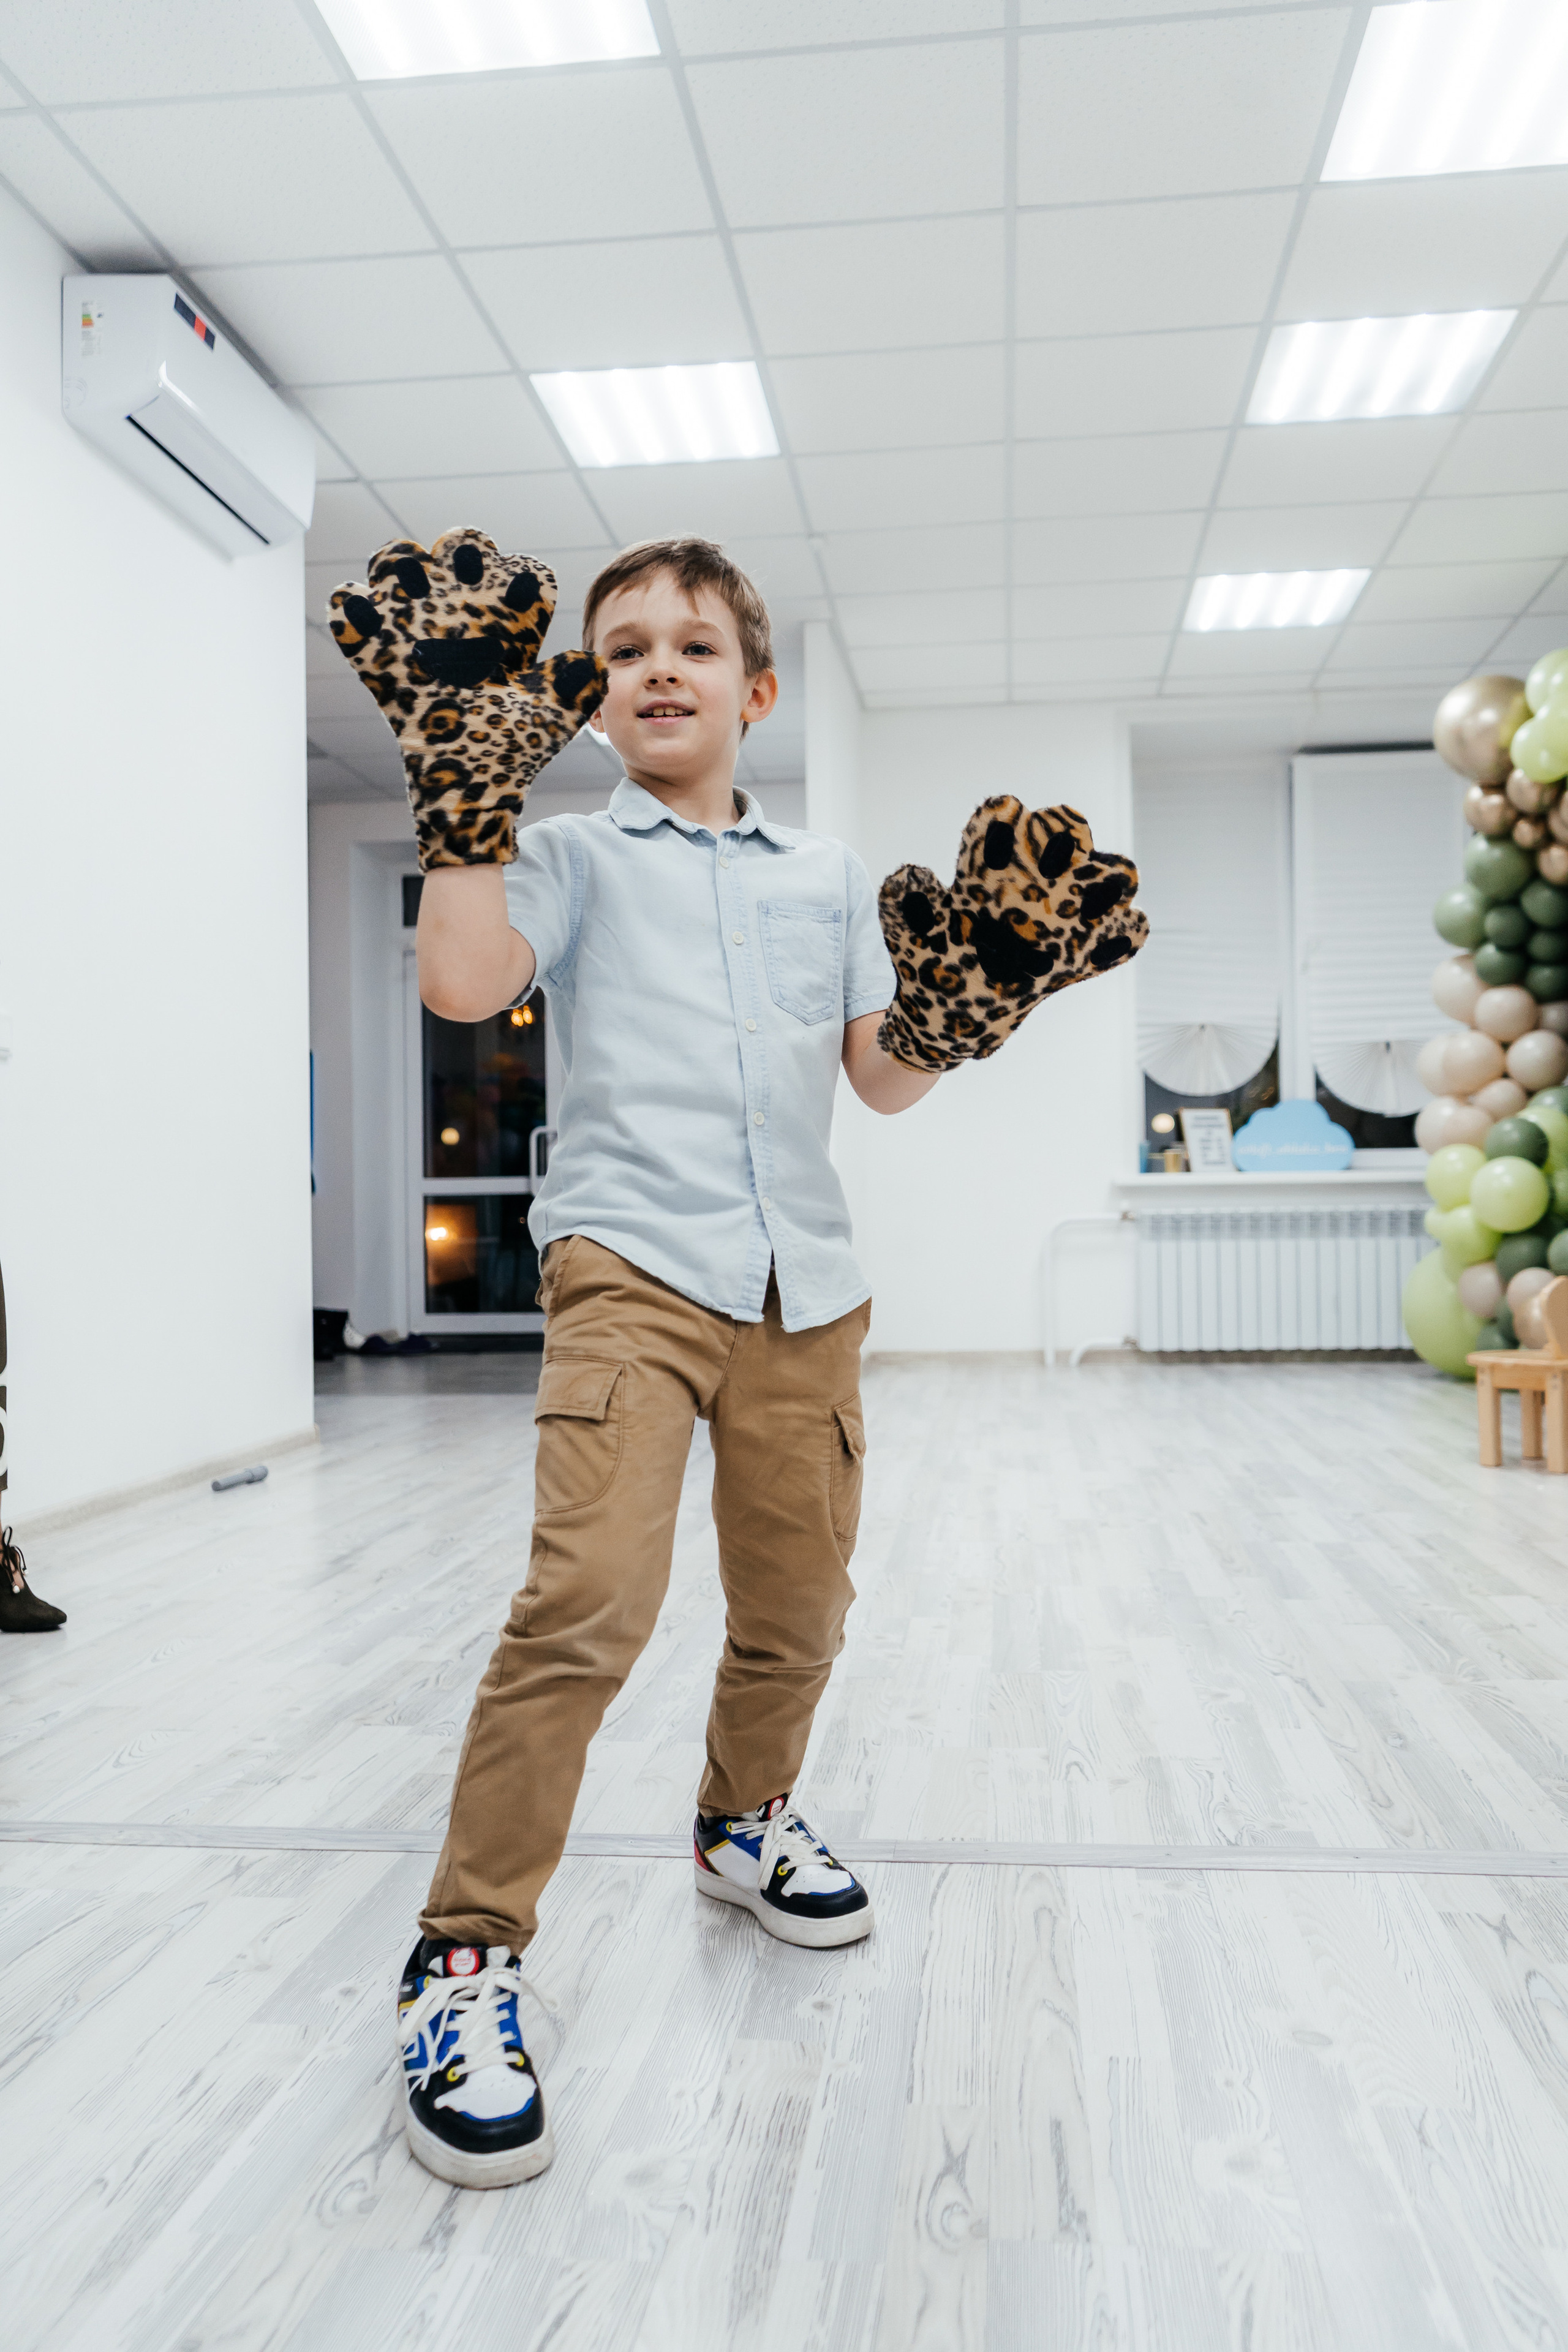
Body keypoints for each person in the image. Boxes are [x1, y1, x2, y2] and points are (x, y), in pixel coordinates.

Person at [328, 528, 1144, 2189]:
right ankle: (463, 1959)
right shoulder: (566, 853)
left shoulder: (826, 875)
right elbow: (466, 980)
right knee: (587, 1607)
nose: (656, 668)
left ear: (754, 690)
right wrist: (464, 810)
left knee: (801, 1609)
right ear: (590, 693)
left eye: (692, 645)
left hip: (805, 1289)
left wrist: (963, 1009)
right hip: (629, 1267)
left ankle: (741, 1822)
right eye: (621, 649)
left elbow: (881, 1079)